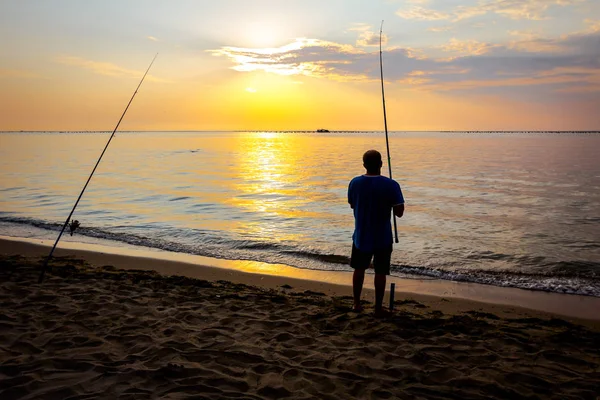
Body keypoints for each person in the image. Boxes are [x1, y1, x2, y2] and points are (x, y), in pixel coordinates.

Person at [348, 150, 404, 317]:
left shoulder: (354, 183)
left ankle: (356, 304)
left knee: (359, 269)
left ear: (364, 164)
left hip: (361, 235)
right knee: (380, 272)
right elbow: (399, 212)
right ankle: (378, 307)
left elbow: (352, 204)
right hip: (383, 237)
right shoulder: (391, 185)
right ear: (381, 164)